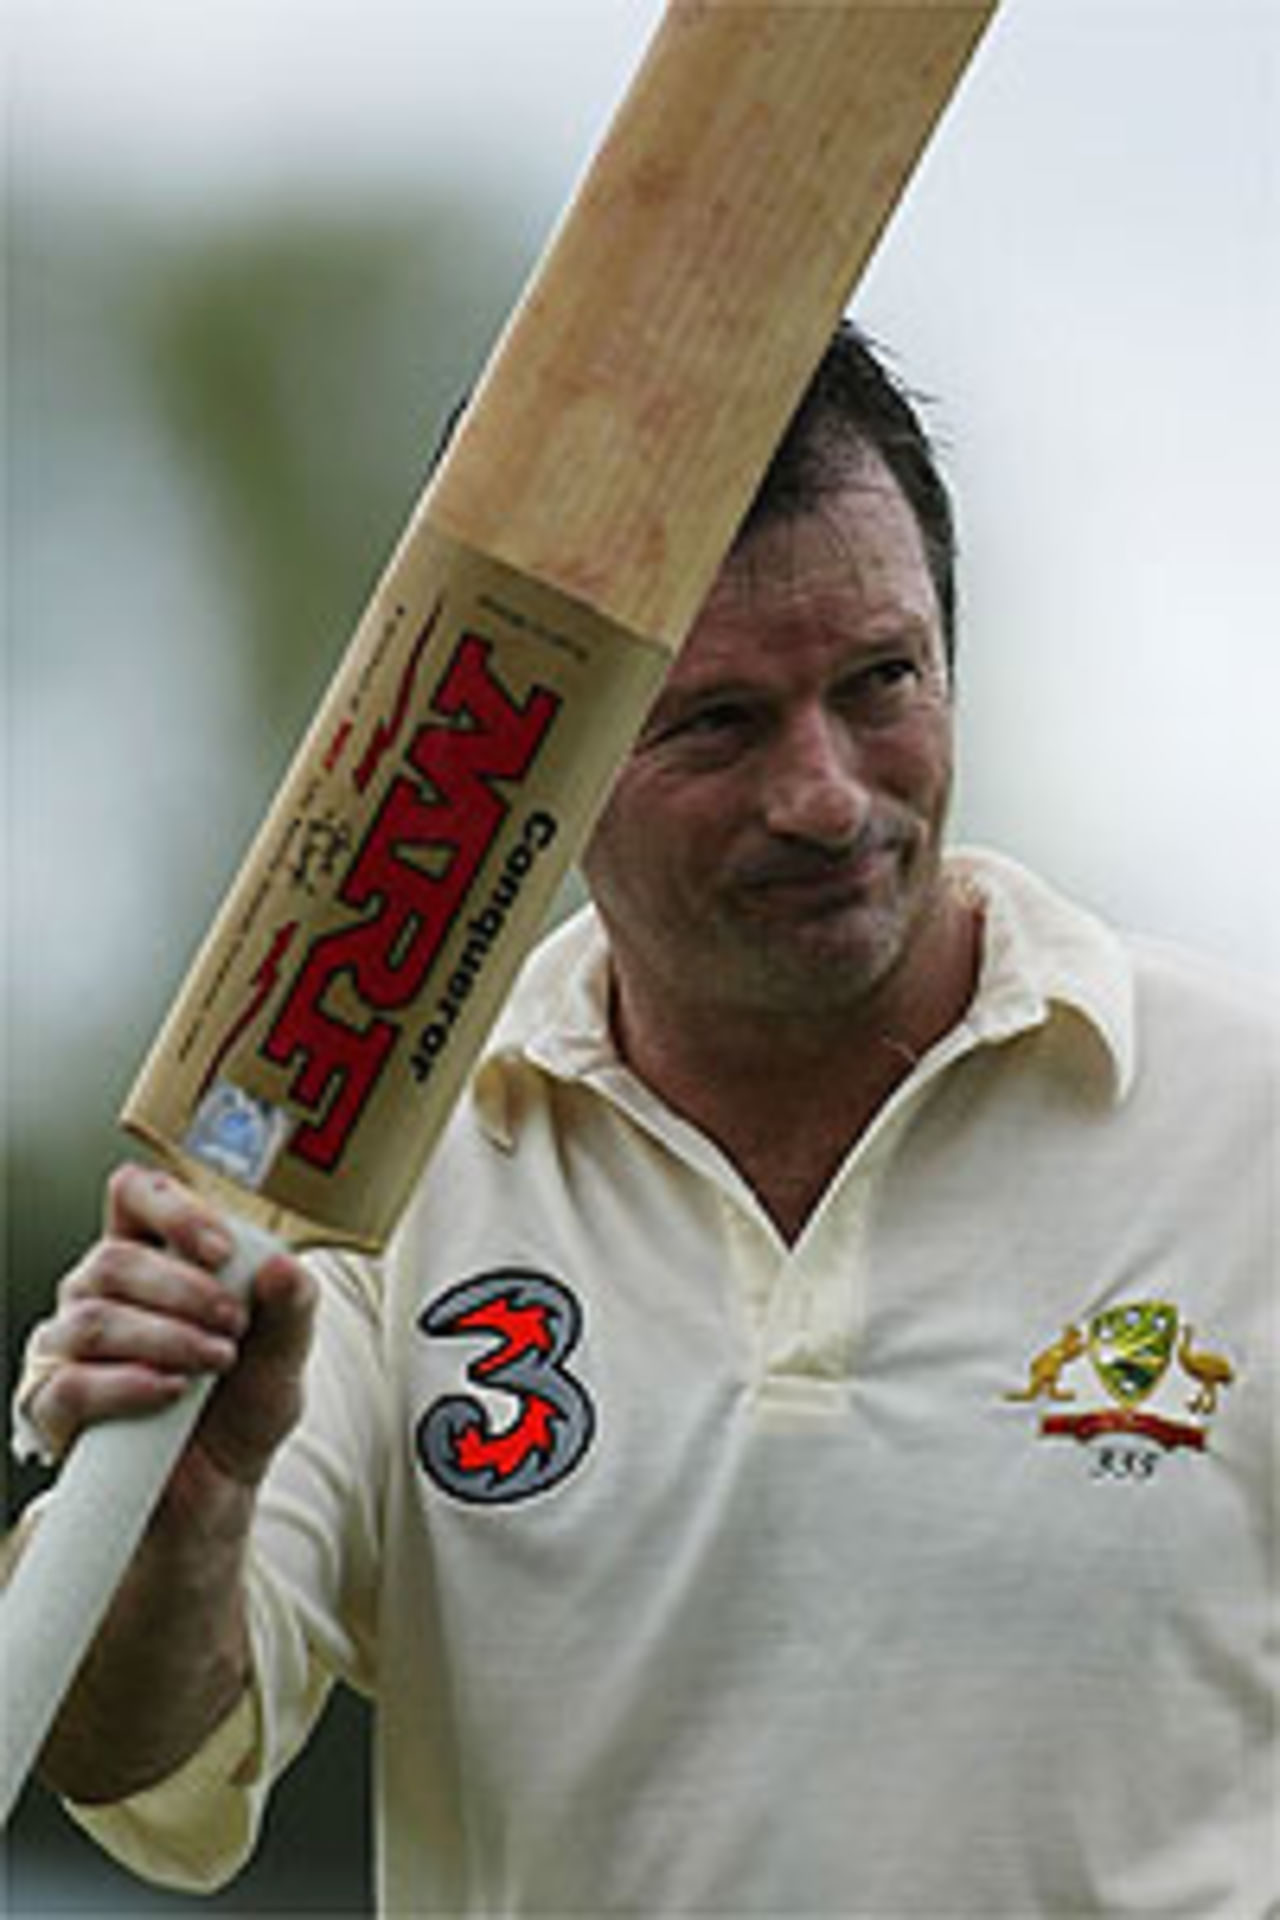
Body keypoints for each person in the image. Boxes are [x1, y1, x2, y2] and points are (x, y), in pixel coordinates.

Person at [10, 323, 1276, 1915]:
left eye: (880, 682)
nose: (825, 794)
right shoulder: (367, 1193)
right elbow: (126, 1760)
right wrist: (188, 1515)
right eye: (719, 724)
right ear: (556, 759)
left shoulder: (1250, 1119)